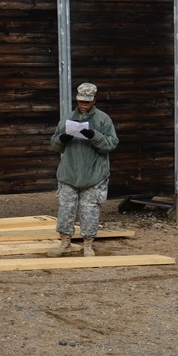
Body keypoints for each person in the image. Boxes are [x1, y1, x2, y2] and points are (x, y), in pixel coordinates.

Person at [48, 82, 119, 257]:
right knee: (66, 209)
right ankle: (65, 243)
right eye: (80, 101)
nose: (83, 105)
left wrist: (94, 136)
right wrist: (62, 139)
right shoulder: (66, 118)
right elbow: (54, 145)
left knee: (90, 210)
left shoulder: (103, 119)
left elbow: (111, 144)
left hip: (94, 175)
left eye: (87, 102)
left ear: (94, 100)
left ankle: (88, 245)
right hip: (69, 174)